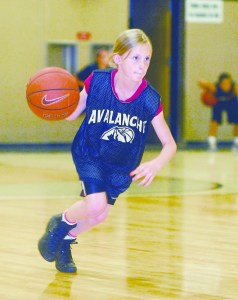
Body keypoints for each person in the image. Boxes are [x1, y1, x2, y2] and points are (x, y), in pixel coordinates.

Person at [38, 29, 177, 273]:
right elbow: (73, 112)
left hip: (121, 165)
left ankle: (65, 240)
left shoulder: (149, 99)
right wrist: (51, 104)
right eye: (135, 58)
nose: (142, 65)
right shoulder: (98, 81)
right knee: (94, 205)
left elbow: (170, 144)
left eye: (147, 59)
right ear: (118, 59)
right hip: (90, 152)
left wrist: (155, 164)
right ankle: (60, 225)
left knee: (100, 215)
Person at [198, 73, 238, 151]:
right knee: (214, 121)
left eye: (228, 83)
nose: (227, 85)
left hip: (232, 103)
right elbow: (200, 81)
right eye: (224, 83)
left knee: (237, 121)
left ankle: (237, 142)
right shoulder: (214, 87)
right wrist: (207, 86)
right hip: (218, 103)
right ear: (220, 83)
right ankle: (212, 143)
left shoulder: (235, 87)